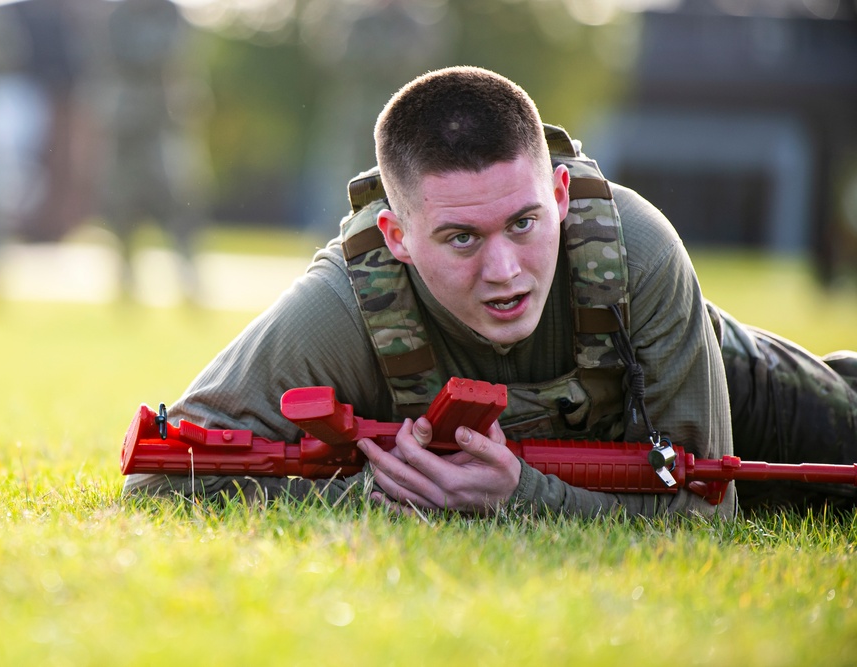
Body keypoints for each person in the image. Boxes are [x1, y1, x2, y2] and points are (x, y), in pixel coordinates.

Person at [122, 66, 857, 518]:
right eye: (462, 238)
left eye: (524, 222)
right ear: (398, 237)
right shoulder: (345, 303)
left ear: (561, 194)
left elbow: (709, 518)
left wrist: (524, 499)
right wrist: (374, 495)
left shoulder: (638, 250)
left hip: (724, 383)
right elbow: (161, 479)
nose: (505, 270)